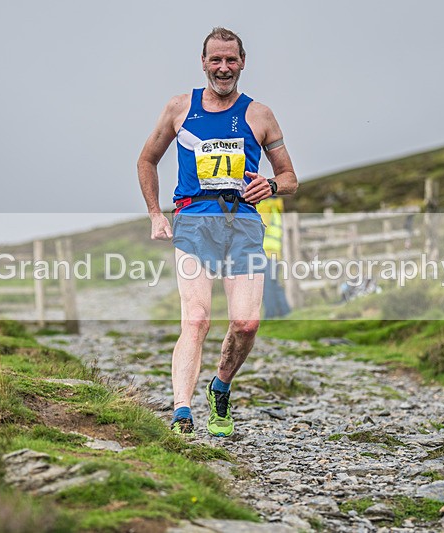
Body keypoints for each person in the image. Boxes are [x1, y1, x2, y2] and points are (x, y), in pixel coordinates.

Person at [137, 27, 297, 437]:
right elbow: (147, 160)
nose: (223, 67)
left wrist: (273, 185)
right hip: (193, 220)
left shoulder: (260, 115)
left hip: (243, 222)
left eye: (230, 60)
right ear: (203, 62)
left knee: (246, 323)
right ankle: (181, 412)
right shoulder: (179, 108)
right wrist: (157, 213)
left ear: (242, 62)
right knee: (196, 319)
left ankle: (220, 386)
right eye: (215, 60)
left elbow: (290, 177)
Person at [256, 196, 291, 318]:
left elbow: (258, 227)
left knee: (267, 285)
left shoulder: (265, 207)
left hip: (265, 251)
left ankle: (270, 315)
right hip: (274, 252)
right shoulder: (275, 207)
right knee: (273, 282)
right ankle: (285, 312)